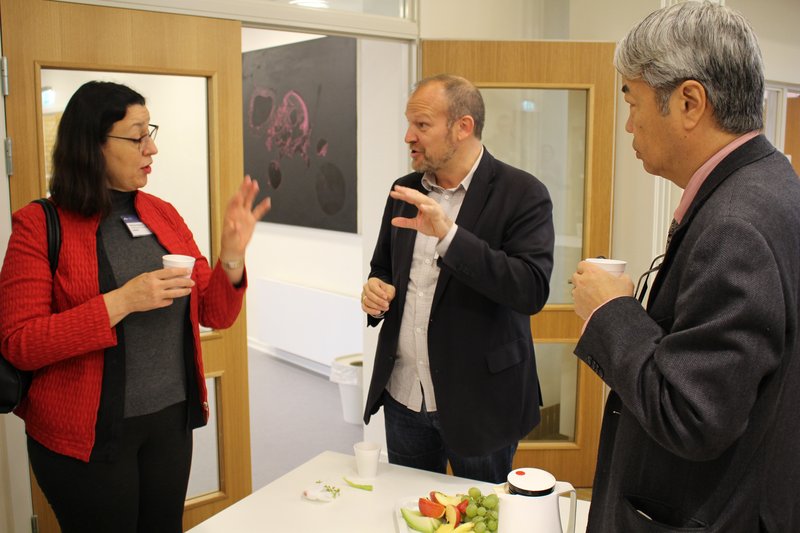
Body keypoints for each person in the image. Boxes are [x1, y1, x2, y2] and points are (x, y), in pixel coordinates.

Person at [0, 81, 270, 533]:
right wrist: (121, 301)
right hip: (87, 435)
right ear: (93, 144)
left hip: (169, 423)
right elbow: (19, 343)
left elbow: (214, 312)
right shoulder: (38, 224)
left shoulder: (162, 214)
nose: (152, 148)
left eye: (151, 132)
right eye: (137, 136)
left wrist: (232, 257)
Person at [569, 3, 800, 532]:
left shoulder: (736, 225)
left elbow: (694, 414)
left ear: (689, 102)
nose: (628, 124)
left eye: (633, 102)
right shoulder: (773, 185)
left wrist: (611, 311)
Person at [361, 74, 554, 484]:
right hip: (404, 395)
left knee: (482, 513)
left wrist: (449, 237)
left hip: (481, 402)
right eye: (409, 123)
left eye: (422, 125)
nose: (408, 136)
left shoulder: (523, 193)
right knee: (409, 509)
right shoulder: (405, 190)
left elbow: (530, 289)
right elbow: (383, 266)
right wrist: (376, 290)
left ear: (463, 127)